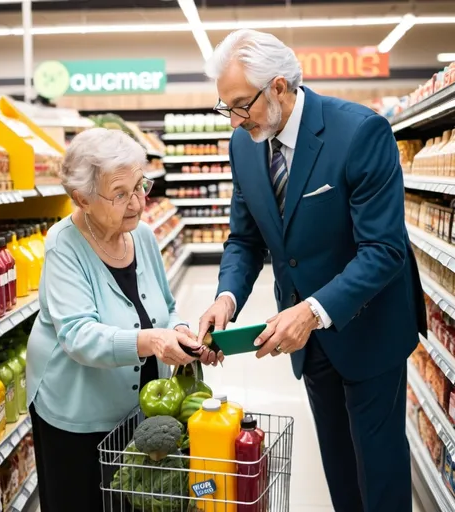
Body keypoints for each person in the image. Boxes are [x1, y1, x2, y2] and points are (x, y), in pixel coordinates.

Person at [198, 29, 427, 512]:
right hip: (306, 338)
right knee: (339, 467)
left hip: (368, 327)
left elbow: (384, 249)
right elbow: (245, 238)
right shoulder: (244, 146)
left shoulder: (360, 132)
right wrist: (227, 298)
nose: (236, 121)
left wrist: (315, 309)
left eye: (242, 105)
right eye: (227, 108)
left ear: (278, 86)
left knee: (380, 471)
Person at [26, 128, 200, 512]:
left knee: (132, 499)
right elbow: (78, 335)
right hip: (78, 411)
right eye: (121, 193)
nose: (138, 202)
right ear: (81, 199)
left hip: (139, 408)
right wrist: (153, 341)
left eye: (140, 186)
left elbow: (167, 306)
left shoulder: (144, 237)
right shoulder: (62, 245)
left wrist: (181, 331)